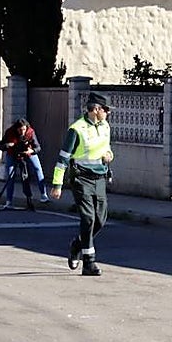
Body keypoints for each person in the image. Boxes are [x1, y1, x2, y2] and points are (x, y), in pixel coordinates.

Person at [50, 92, 114, 277]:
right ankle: (89, 263)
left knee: (100, 220)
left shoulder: (105, 126)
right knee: (88, 218)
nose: (107, 113)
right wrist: (57, 184)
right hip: (81, 179)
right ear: (95, 110)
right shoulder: (76, 129)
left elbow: (107, 148)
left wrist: (109, 155)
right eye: (105, 110)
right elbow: (63, 158)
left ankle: (77, 244)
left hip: (100, 178)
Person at [0, 117, 48, 210]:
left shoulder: (30, 132)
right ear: (16, 129)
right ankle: (9, 201)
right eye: (20, 130)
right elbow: (0, 145)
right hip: (12, 154)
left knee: (37, 169)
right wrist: (7, 145)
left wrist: (32, 150)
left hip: (28, 153)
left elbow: (38, 147)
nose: (22, 132)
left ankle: (43, 195)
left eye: (24, 129)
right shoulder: (10, 132)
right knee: (10, 176)